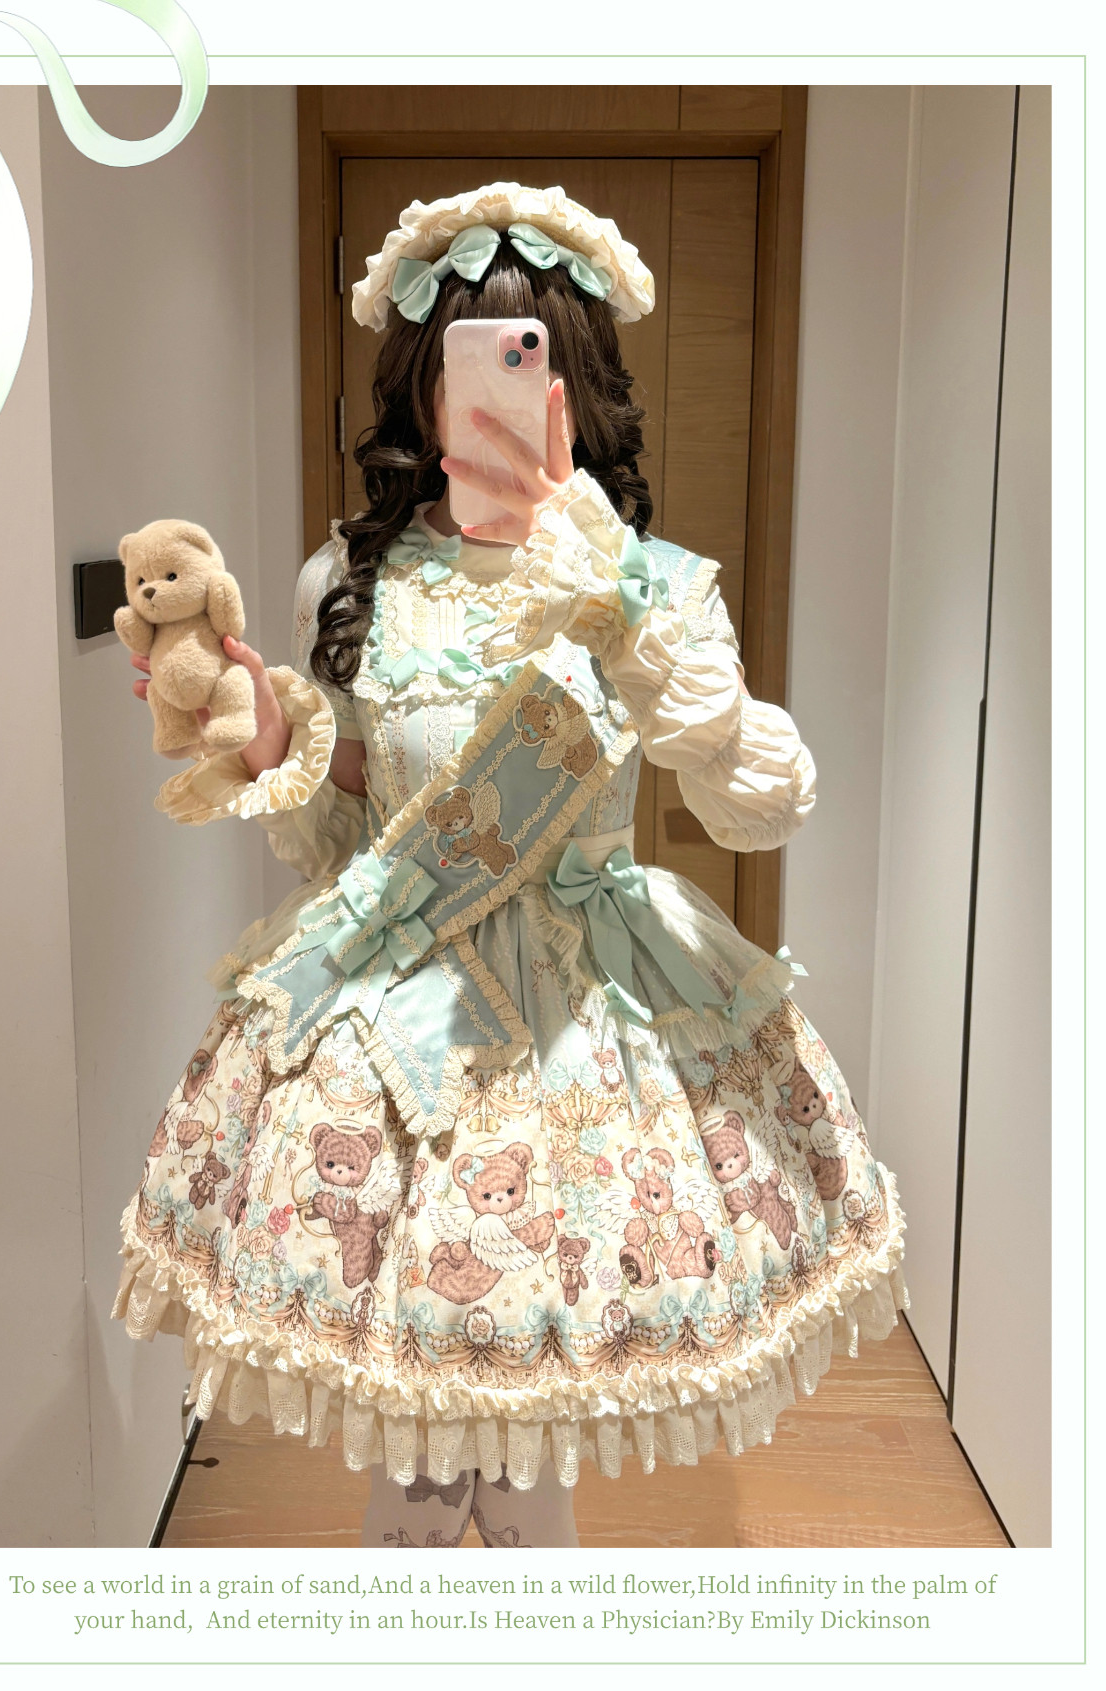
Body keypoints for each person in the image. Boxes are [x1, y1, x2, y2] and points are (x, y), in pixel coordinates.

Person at [114, 182, 907, 1550]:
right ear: (419, 384)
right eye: (463, 362)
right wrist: (268, 743)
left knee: (526, 1447)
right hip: (399, 1026)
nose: (493, 393)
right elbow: (354, 830)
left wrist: (636, 617)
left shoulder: (647, 582)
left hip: (585, 1034)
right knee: (415, 1447)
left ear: (577, 386)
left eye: (532, 358)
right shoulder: (344, 581)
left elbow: (758, 810)